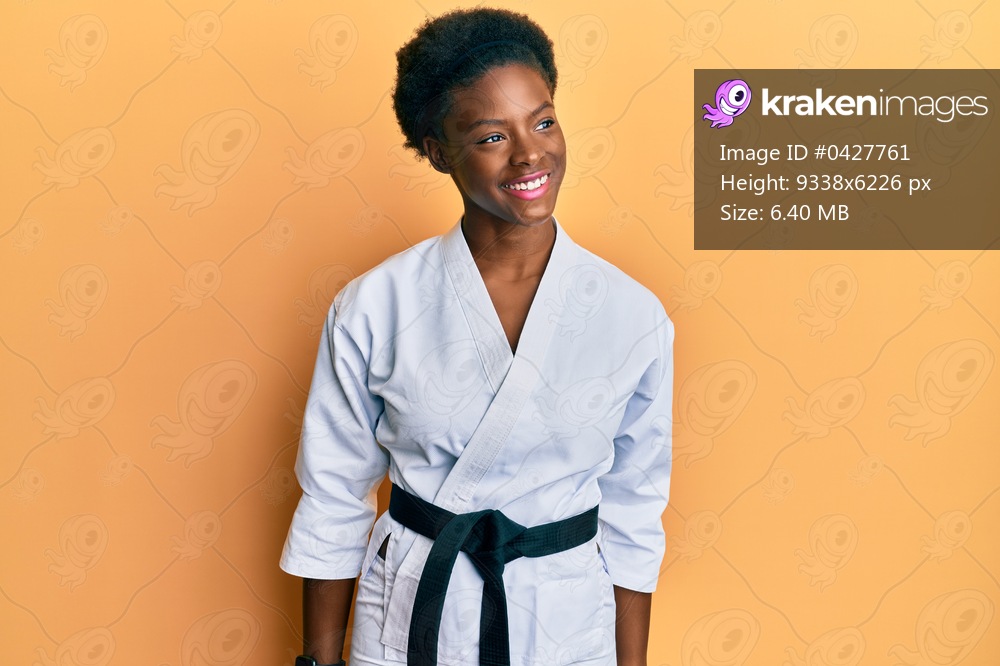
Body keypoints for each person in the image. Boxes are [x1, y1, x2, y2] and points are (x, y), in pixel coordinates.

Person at [280, 8, 673, 666]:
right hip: (412, 612)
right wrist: (318, 664)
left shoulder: (632, 315)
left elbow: (635, 509)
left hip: (566, 624)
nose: (530, 154)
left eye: (543, 120)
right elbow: (332, 496)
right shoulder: (375, 306)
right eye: (492, 136)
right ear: (439, 151)